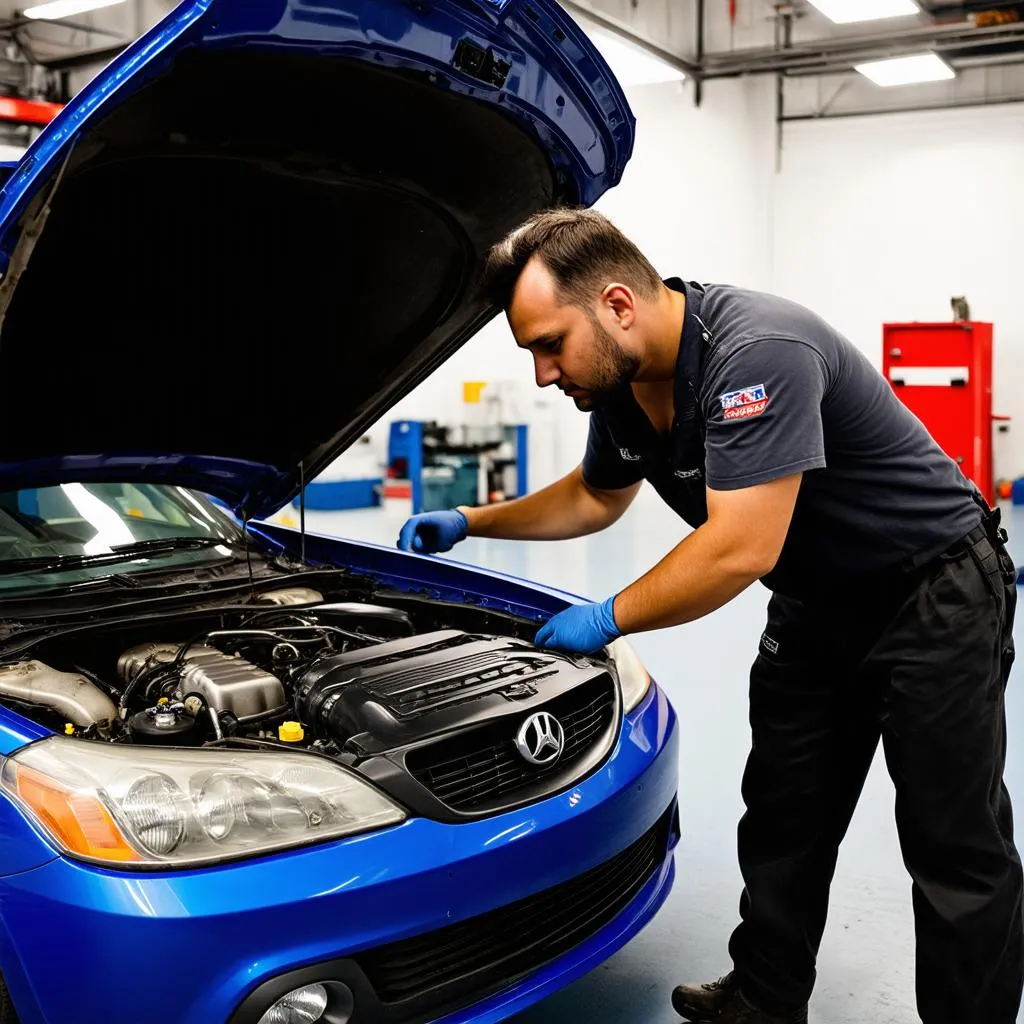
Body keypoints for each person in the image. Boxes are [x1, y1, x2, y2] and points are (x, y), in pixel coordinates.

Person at [395, 208, 1022, 1024]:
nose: (546, 374)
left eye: (550, 344)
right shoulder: (618, 387)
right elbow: (594, 496)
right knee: (784, 816)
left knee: (952, 844)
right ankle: (763, 996)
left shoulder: (757, 353)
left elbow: (739, 548)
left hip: (932, 592)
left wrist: (607, 616)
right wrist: (473, 520)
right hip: (816, 601)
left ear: (617, 304)